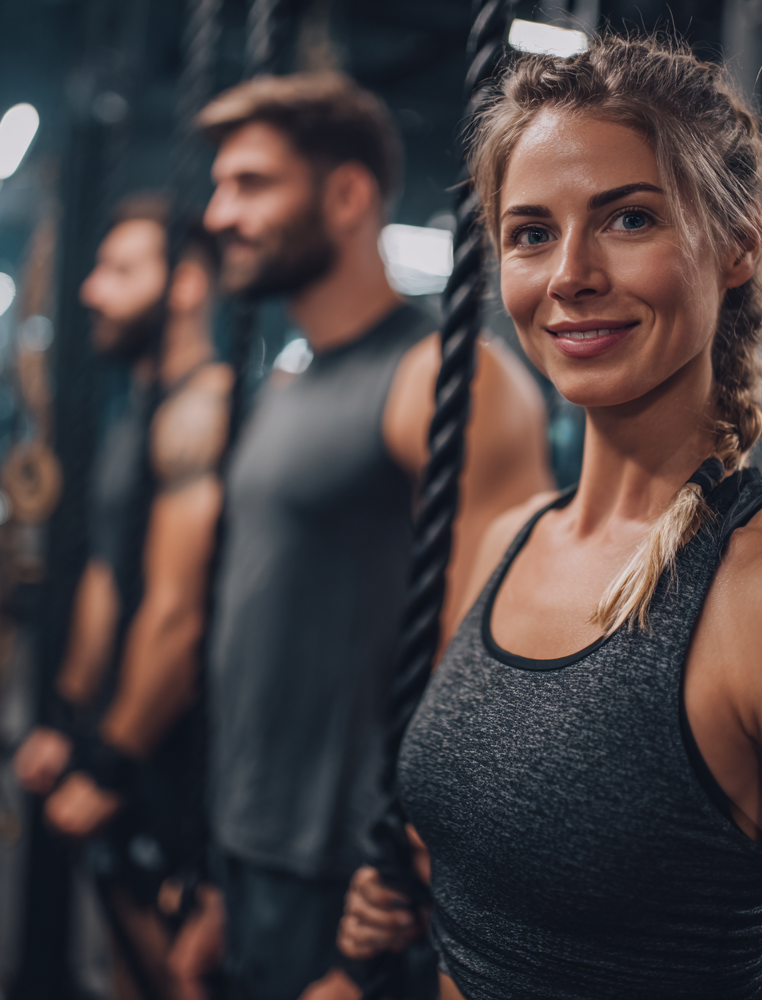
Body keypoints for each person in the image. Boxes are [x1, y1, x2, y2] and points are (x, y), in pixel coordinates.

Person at [339, 33, 762, 1000]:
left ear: (738, 244)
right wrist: (418, 896)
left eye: (629, 219)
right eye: (531, 233)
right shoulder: (506, 540)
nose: (569, 274)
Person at [194, 71, 553, 1000]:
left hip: (360, 879)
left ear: (348, 195)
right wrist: (219, 870)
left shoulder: (446, 379)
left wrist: (393, 905)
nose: (220, 213)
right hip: (252, 848)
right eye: (220, 186)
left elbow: (499, 663)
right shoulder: (288, 383)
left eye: (251, 184)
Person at [14, 197, 233, 999]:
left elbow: (179, 615)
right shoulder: (140, 412)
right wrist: (70, 726)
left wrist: (109, 765)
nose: (92, 291)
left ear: (185, 286)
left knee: (172, 969)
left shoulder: (206, 412)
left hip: (179, 752)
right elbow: (108, 580)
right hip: (122, 735)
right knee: (125, 962)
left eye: (121, 271)